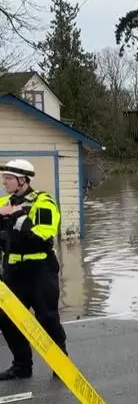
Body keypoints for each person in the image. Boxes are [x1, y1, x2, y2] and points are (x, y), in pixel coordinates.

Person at [0, 159, 66, 381]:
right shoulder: (4, 203)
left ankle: (61, 364)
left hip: (39, 269)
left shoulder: (44, 203)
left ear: (22, 180)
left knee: (47, 318)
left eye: (8, 178)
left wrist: (15, 218)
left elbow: (42, 237)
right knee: (7, 318)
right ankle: (21, 366)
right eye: (4, 178)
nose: (4, 182)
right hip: (12, 269)